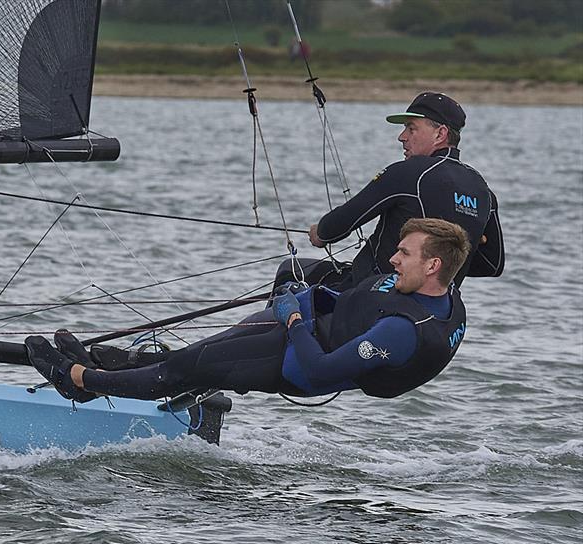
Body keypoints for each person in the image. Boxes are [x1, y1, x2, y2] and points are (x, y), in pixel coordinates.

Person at [26, 218, 471, 403]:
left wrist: (293, 317)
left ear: (432, 265)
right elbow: (364, 303)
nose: (394, 259)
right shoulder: (442, 293)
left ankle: (81, 383)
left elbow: (318, 371)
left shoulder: (401, 332)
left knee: (185, 367)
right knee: (199, 354)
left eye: (404, 254)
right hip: (309, 330)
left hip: (296, 363)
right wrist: (307, 295)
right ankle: (116, 372)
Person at [278, 92, 504, 291]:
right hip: (437, 305)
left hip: (371, 294)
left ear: (440, 134)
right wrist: (438, 267)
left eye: (412, 128)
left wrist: (320, 233)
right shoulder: (483, 189)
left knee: (290, 269)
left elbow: (334, 229)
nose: (402, 136)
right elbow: (492, 265)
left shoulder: (407, 173)